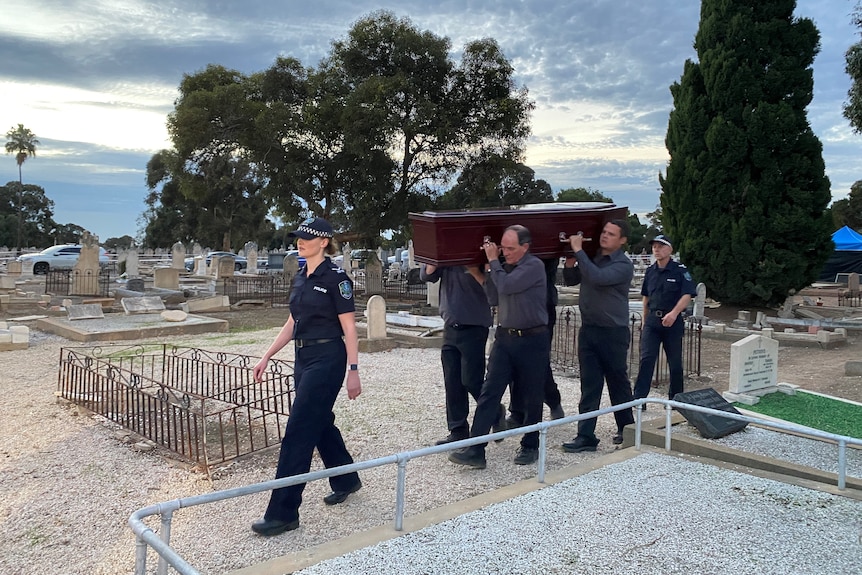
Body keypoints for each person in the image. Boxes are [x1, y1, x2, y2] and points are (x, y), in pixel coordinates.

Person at [249, 217, 362, 537]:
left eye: (307, 238)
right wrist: (268, 354)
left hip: (328, 359)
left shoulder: (336, 278)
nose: (300, 241)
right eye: (298, 237)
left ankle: (283, 513)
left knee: (299, 430)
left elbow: (350, 328)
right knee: (320, 422)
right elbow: (292, 322)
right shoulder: (300, 274)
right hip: (303, 357)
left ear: (324, 242)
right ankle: (346, 478)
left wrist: (354, 371)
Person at [448, 225, 549, 468]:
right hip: (506, 338)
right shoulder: (504, 268)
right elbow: (494, 296)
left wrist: (493, 261)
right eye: (503, 248)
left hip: (533, 339)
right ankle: (476, 449)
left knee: (532, 394)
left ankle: (530, 445)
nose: (505, 252)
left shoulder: (533, 266)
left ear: (525, 247)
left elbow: (506, 286)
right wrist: (480, 271)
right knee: (489, 392)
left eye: (510, 248)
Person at [561, 219, 635, 452]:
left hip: (613, 332)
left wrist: (579, 251)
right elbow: (572, 279)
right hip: (589, 330)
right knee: (590, 385)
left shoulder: (623, 264)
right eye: (604, 232)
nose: (605, 236)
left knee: (618, 384)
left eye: (611, 234)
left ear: (622, 240)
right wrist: (571, 260)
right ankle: (586, 436)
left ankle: (627, 428)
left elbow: (598, 278)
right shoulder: (592, 257)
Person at [420, 263, 498, 445]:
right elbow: (425, 276)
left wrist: (475, 269)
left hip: (474, 324)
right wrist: (432, 263)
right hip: (450, 322)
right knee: (452, 379)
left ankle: (493, 411)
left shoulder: (480, 254)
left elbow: (493, 291)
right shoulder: (447, 256)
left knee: (471, 379)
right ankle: (458, 429)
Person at [632, 234, 697, 405]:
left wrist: (674, 313)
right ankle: (639, 399)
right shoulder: (651, 271)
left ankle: (676, 400)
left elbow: (687, 295)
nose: (656, 249)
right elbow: (646, 297)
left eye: (661, 246)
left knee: (674, 362)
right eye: (654, 246)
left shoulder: (679, 270)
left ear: (670, 250)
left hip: (672, 321)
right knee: (646, 360)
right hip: (653, 321)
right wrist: (645, 321)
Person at [505, 257, 565, 427]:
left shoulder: (538, 257)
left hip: (541, 307)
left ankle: (552, 399)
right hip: (517, 304)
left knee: (537, 361)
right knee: (515, 360)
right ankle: (517, 412)